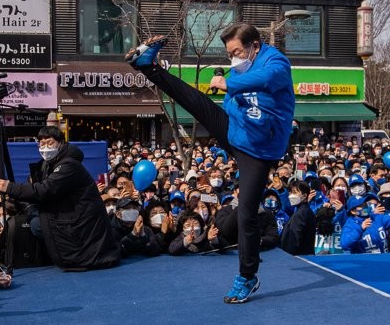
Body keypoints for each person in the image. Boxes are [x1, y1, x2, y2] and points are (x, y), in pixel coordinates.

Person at [126, 24, 294, 302]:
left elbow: (267, 79)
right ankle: (149, 66)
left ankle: (247, 276)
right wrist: (224, 97)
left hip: (259, 150)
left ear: (255, 45)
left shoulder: (275, 61)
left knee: (246, 213)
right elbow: (232, 100)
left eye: (237, 51)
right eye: (229, 54)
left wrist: (229, 83)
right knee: (195, 102)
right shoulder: (239, 66)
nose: (234, 59)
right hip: (235, 131)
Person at [0, 125, 120, 271]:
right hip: (69, 213)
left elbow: (45, 189)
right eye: (41, 144)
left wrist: (9, 187)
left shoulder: (69, 165)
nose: (45, 148)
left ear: (60, 143)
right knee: (32, 217)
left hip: (82, 223)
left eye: (50, 143)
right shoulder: (49, 164)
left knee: (36, 224)